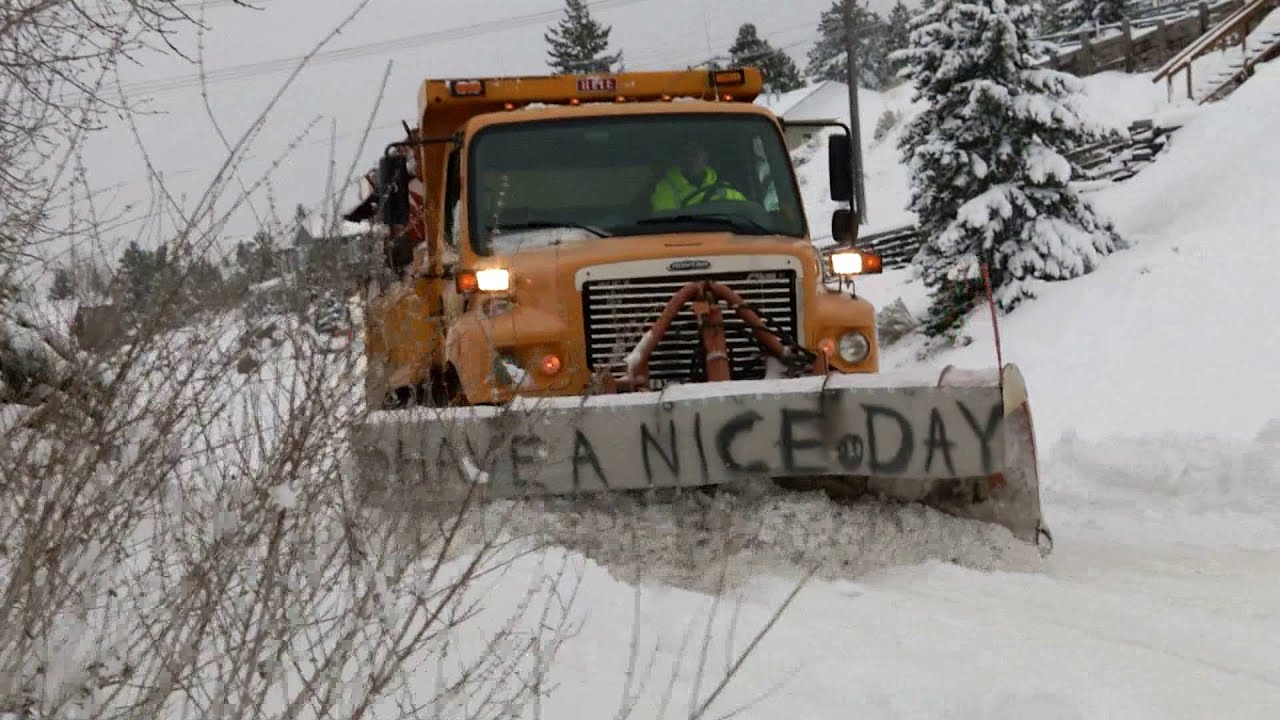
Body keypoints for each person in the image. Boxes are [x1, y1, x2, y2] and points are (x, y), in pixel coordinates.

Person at [650, 139, 746, 211]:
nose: (691, 158)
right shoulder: (664, 189)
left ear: (706, 157)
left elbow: (746, 215)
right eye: (686, 153)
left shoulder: (726, 190)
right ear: (678, 158)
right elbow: (664, 225)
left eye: (696, 151)